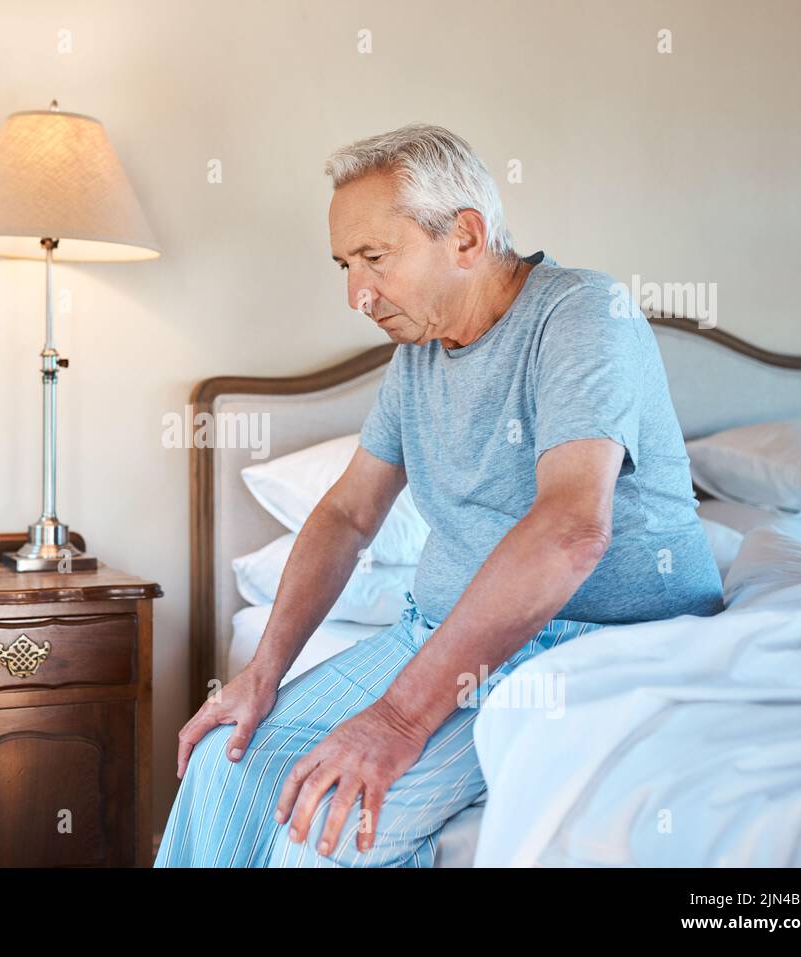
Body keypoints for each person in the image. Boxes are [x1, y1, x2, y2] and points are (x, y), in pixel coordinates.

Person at [155, 123, 723, 867]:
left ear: (464, 235)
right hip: (432, 632)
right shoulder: (419, 353)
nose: (357, 294)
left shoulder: (583, 313)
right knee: (223, 767)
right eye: (344, 265)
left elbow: (571, 530)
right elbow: (346, 513)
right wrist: (262, 673)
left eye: (374, 259)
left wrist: (396, 719)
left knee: (327, 823)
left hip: (582, 645)